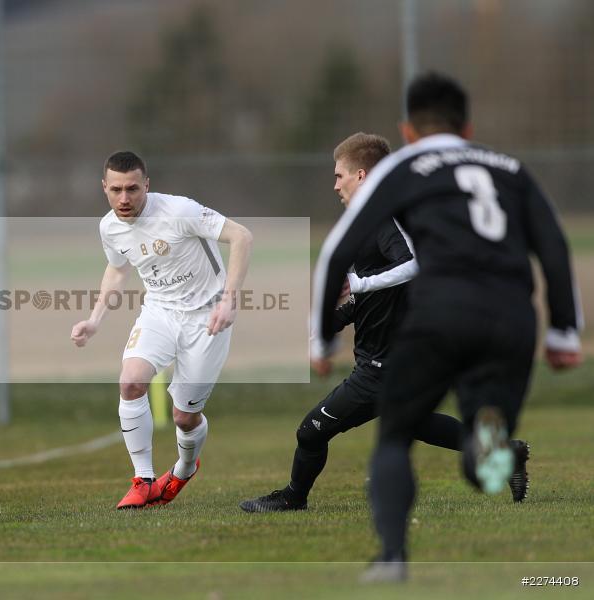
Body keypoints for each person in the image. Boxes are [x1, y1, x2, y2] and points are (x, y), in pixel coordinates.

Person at [311, 73, 583, 582]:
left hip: (440, 314)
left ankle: (392, 559)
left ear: (408, 130)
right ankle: (490, 452)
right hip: (511, 319)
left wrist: (322, 335)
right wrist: (565, 332)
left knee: (394, 433)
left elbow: (337, 251)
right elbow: (553, 246)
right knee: (484, 453)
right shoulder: (510, 169)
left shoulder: (402, 167)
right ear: (469, 126)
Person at [241, 132, 532, 514]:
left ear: (361, 175)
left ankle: (294, 497)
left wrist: (360, 283)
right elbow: (375, 296)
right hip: (397, 355)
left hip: (382, 365)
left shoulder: (385, 218)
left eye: (339, 175)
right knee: (417, 424)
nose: (334, 185)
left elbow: (411, 265)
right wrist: (334, 320)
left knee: (311, 431)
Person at [71, 151, 253, 509]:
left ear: (147, 186)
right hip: (160, 312)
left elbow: (241, 236)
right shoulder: (108, 226)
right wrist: (94, 320)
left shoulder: (178, 211)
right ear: (104, 188)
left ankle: (184, 468)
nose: (125, 198)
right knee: (131, 381)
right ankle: (143, 480)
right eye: (117, 190)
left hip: (207, 318)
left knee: (184, 417)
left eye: (133, 189)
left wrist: (229, 300)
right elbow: (118, 268)